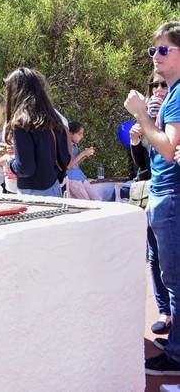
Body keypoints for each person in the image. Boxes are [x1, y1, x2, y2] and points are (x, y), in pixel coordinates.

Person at [124, 21, 180, 376]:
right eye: (153, 50)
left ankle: (176, 355)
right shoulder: (173, 94)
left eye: (164, 49)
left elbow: (167, 146)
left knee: (175, 279)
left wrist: (142, 115)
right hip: (167, 193)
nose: (155, 57)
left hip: (171, 195)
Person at [130, 72, 171, 336]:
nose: (158, 88)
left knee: (172, 261)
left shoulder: (173, 114)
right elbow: (142, 164)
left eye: (163, 84)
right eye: (154, 84)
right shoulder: (147, 115)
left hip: (171, 193)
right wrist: (136, 140)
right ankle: (164, 312)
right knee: (155, 257)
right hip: (151, 191)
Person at [0, 67, 70, 197]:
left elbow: (25, 168)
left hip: (32, 193)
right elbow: (65, 157)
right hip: (54, 187)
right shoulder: (53, 119)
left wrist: (8, 160)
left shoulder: (21, 123)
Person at [66, 121, 101, 200]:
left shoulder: (75, 145)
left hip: (80, 178)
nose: (82, 137)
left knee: (98, 199)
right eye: (79, 134)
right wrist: (83, 153)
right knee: (86, 203)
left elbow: (75, 163)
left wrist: (85, 155)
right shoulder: (67, 146)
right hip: (73, 180)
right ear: (71, 133)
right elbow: (69, 165)